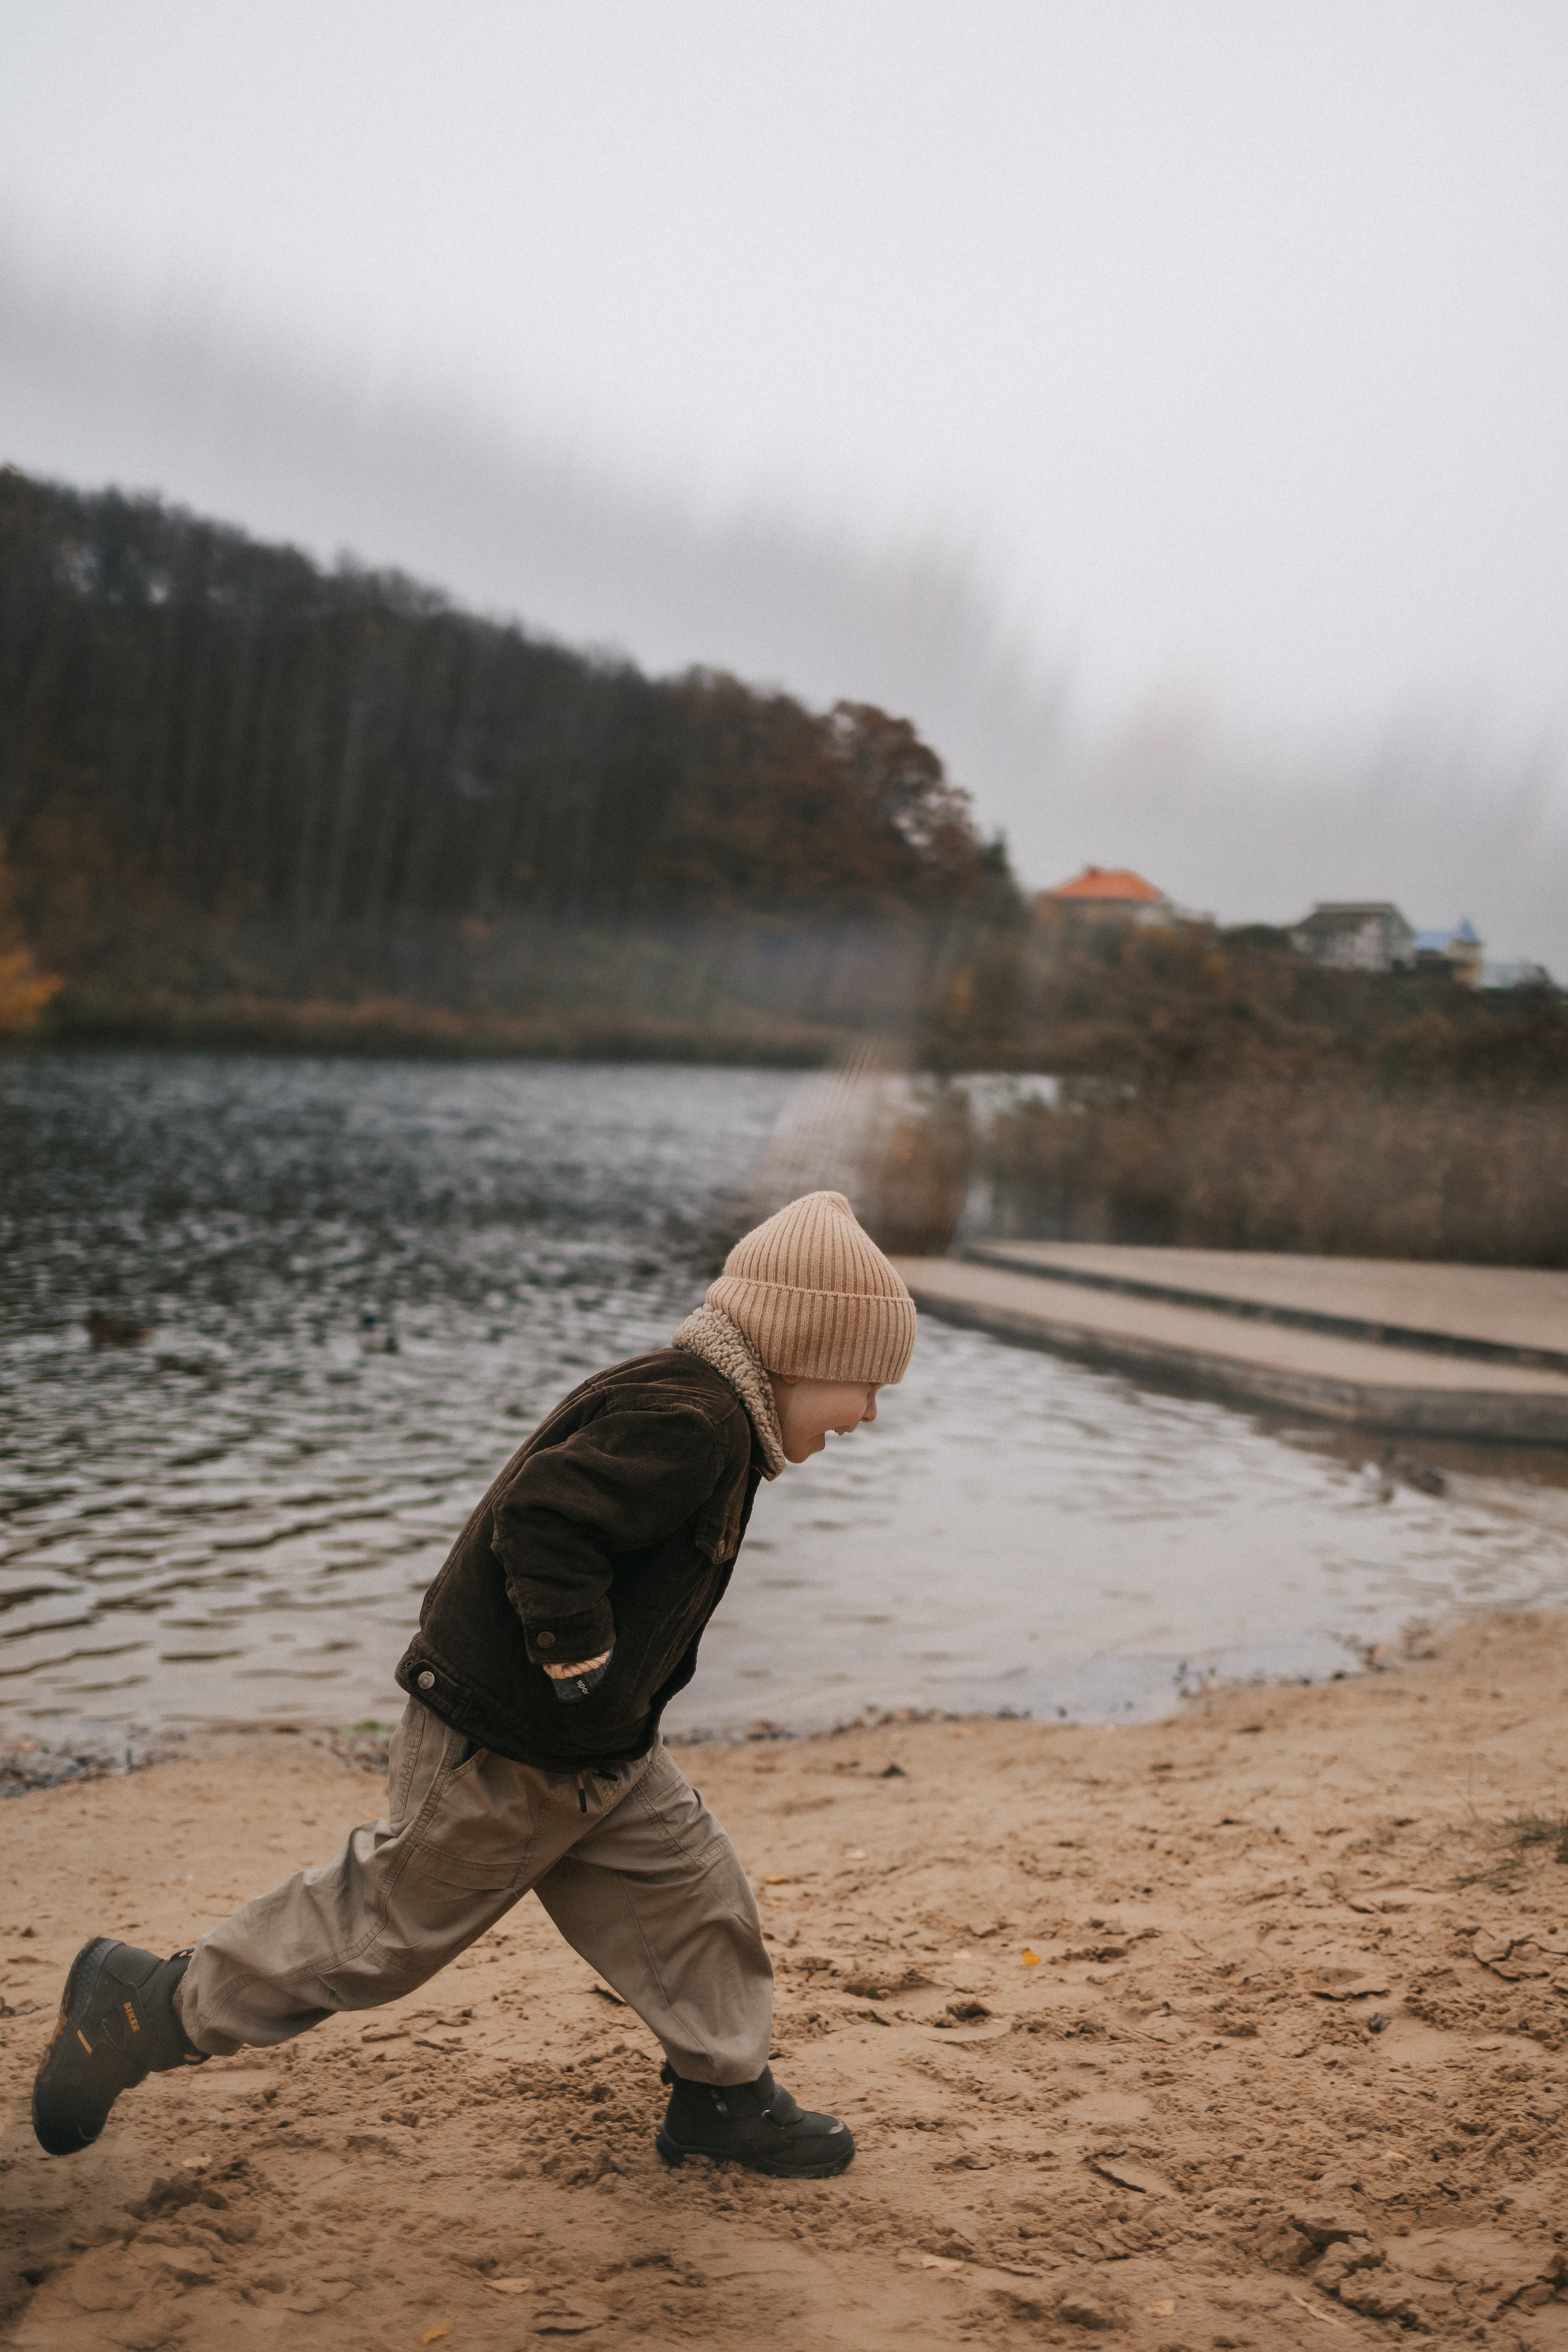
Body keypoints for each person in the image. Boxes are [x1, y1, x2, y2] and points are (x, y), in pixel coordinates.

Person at [32, 1190, 916, 2180]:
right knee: (380, 1934)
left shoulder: (716, 1417)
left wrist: (602, 1695)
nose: (871, 1414)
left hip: (597, 1744)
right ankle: (144, 2007)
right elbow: (542, 1521)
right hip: (509, 1738)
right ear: (801, 1351)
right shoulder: (691, 1418)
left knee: (691, 1893)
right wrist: (577, 1656)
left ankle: (723, 2095)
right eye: (866, 1385)